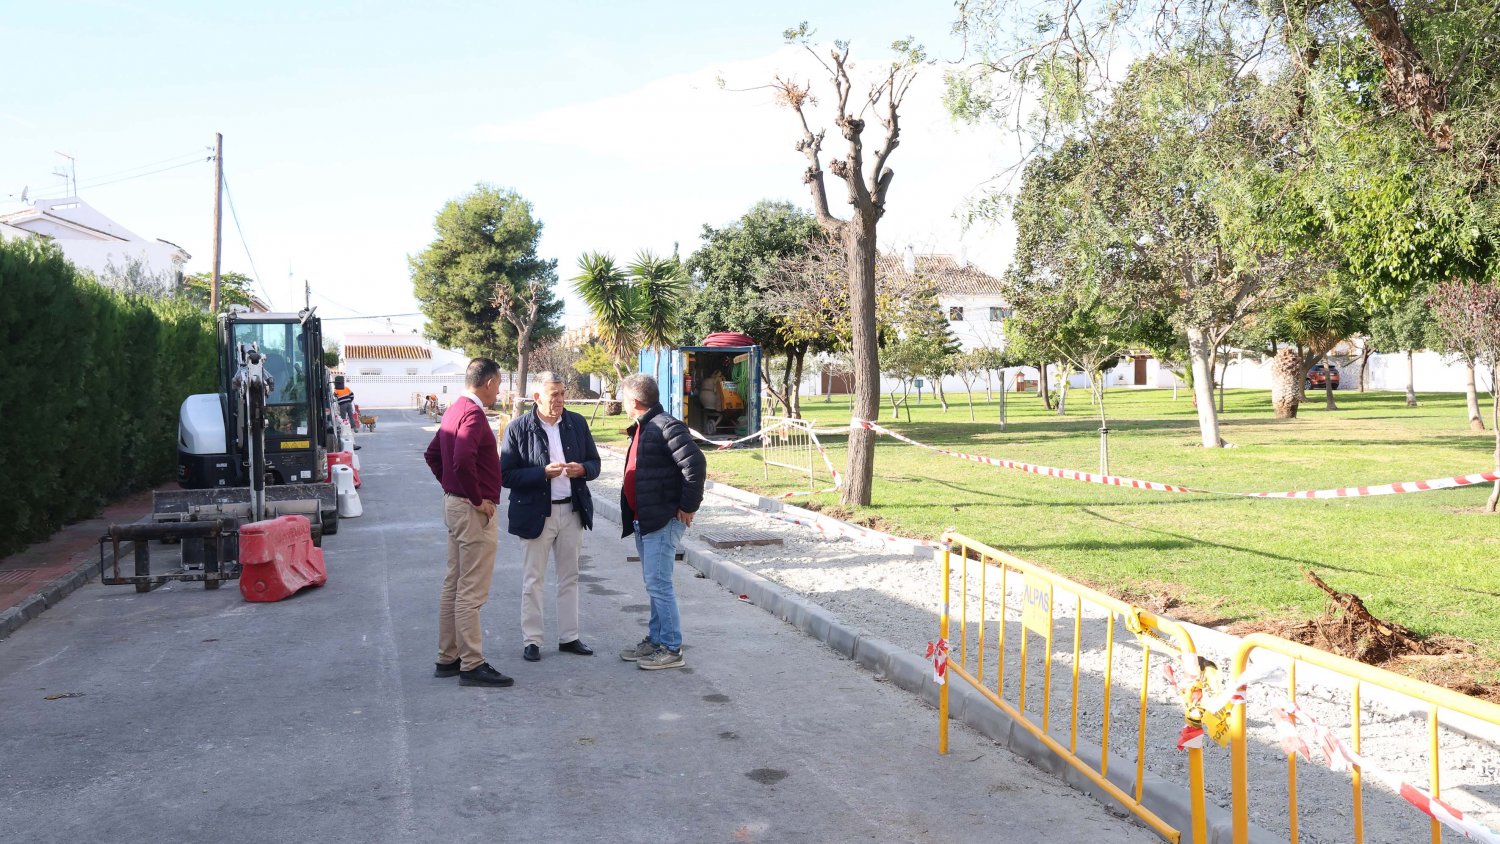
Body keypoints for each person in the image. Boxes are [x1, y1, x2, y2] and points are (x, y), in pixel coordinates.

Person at [423, 358, 513, 688]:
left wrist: (452, 488)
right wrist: (475, 498)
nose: (499, 391)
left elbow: (433, 455)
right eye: (499, 384)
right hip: (471, 510)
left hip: (455, 505)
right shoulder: (473, 414)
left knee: (455, 583)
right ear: (488, 383)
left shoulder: (454, 410)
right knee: (471, 590)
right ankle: (472, 664)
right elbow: (461, 460)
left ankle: (448, 656)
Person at [500, 372, 601, 662]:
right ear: (536, 397)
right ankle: (532, 640)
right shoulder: (518, 428)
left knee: (570, 577)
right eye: (553, 394)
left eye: (562, 393)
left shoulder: (576, 423)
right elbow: (506, 475)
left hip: (571, 511)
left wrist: (583, 469)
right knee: (534, 579)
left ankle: (569, 637)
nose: (559, 400)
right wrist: (541, 473)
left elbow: (594, 462)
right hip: (536, 514)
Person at [617, 373, 706, 671]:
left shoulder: (665, 425)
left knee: (659, 584)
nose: (621, 403)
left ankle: (670, 647)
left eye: (623, 398)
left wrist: (688, 506)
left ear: (634, 401)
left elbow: (695, 463)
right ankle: (656, 640)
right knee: (654, 584)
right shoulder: (645, 425)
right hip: (645, 519)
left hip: (662, 520)